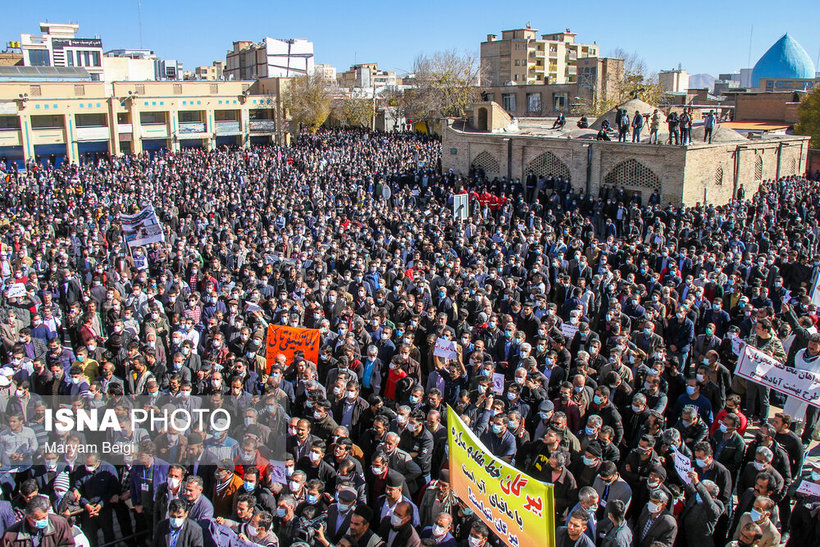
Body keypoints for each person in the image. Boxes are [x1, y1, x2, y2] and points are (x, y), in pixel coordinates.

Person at [1, 496, 74, 547]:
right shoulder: (11, 536)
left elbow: (68, 544)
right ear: (29, 517)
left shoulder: (60, 524)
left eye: (45, 517)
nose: (44, 520)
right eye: (39, 519)